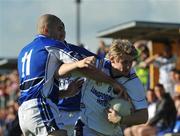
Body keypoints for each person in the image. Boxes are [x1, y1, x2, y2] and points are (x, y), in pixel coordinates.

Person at [17, 14, 92, 136]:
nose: (64, 32)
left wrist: (66, 93)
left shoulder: (23, 51)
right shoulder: (49, 43)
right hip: (40, 107)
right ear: (46, 29)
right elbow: (78, 61)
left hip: (23, 113)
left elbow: (36, 90)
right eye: (60, 28)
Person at [59, 39, 148, 136]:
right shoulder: (97, 65)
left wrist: (120, 119)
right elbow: (61, 70)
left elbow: (144, 116)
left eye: (131, 62)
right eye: (124, 62)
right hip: (87, 128)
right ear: (112, 58)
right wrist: (76, 65)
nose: (128, 66)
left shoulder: (133, 82)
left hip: (113, 132)